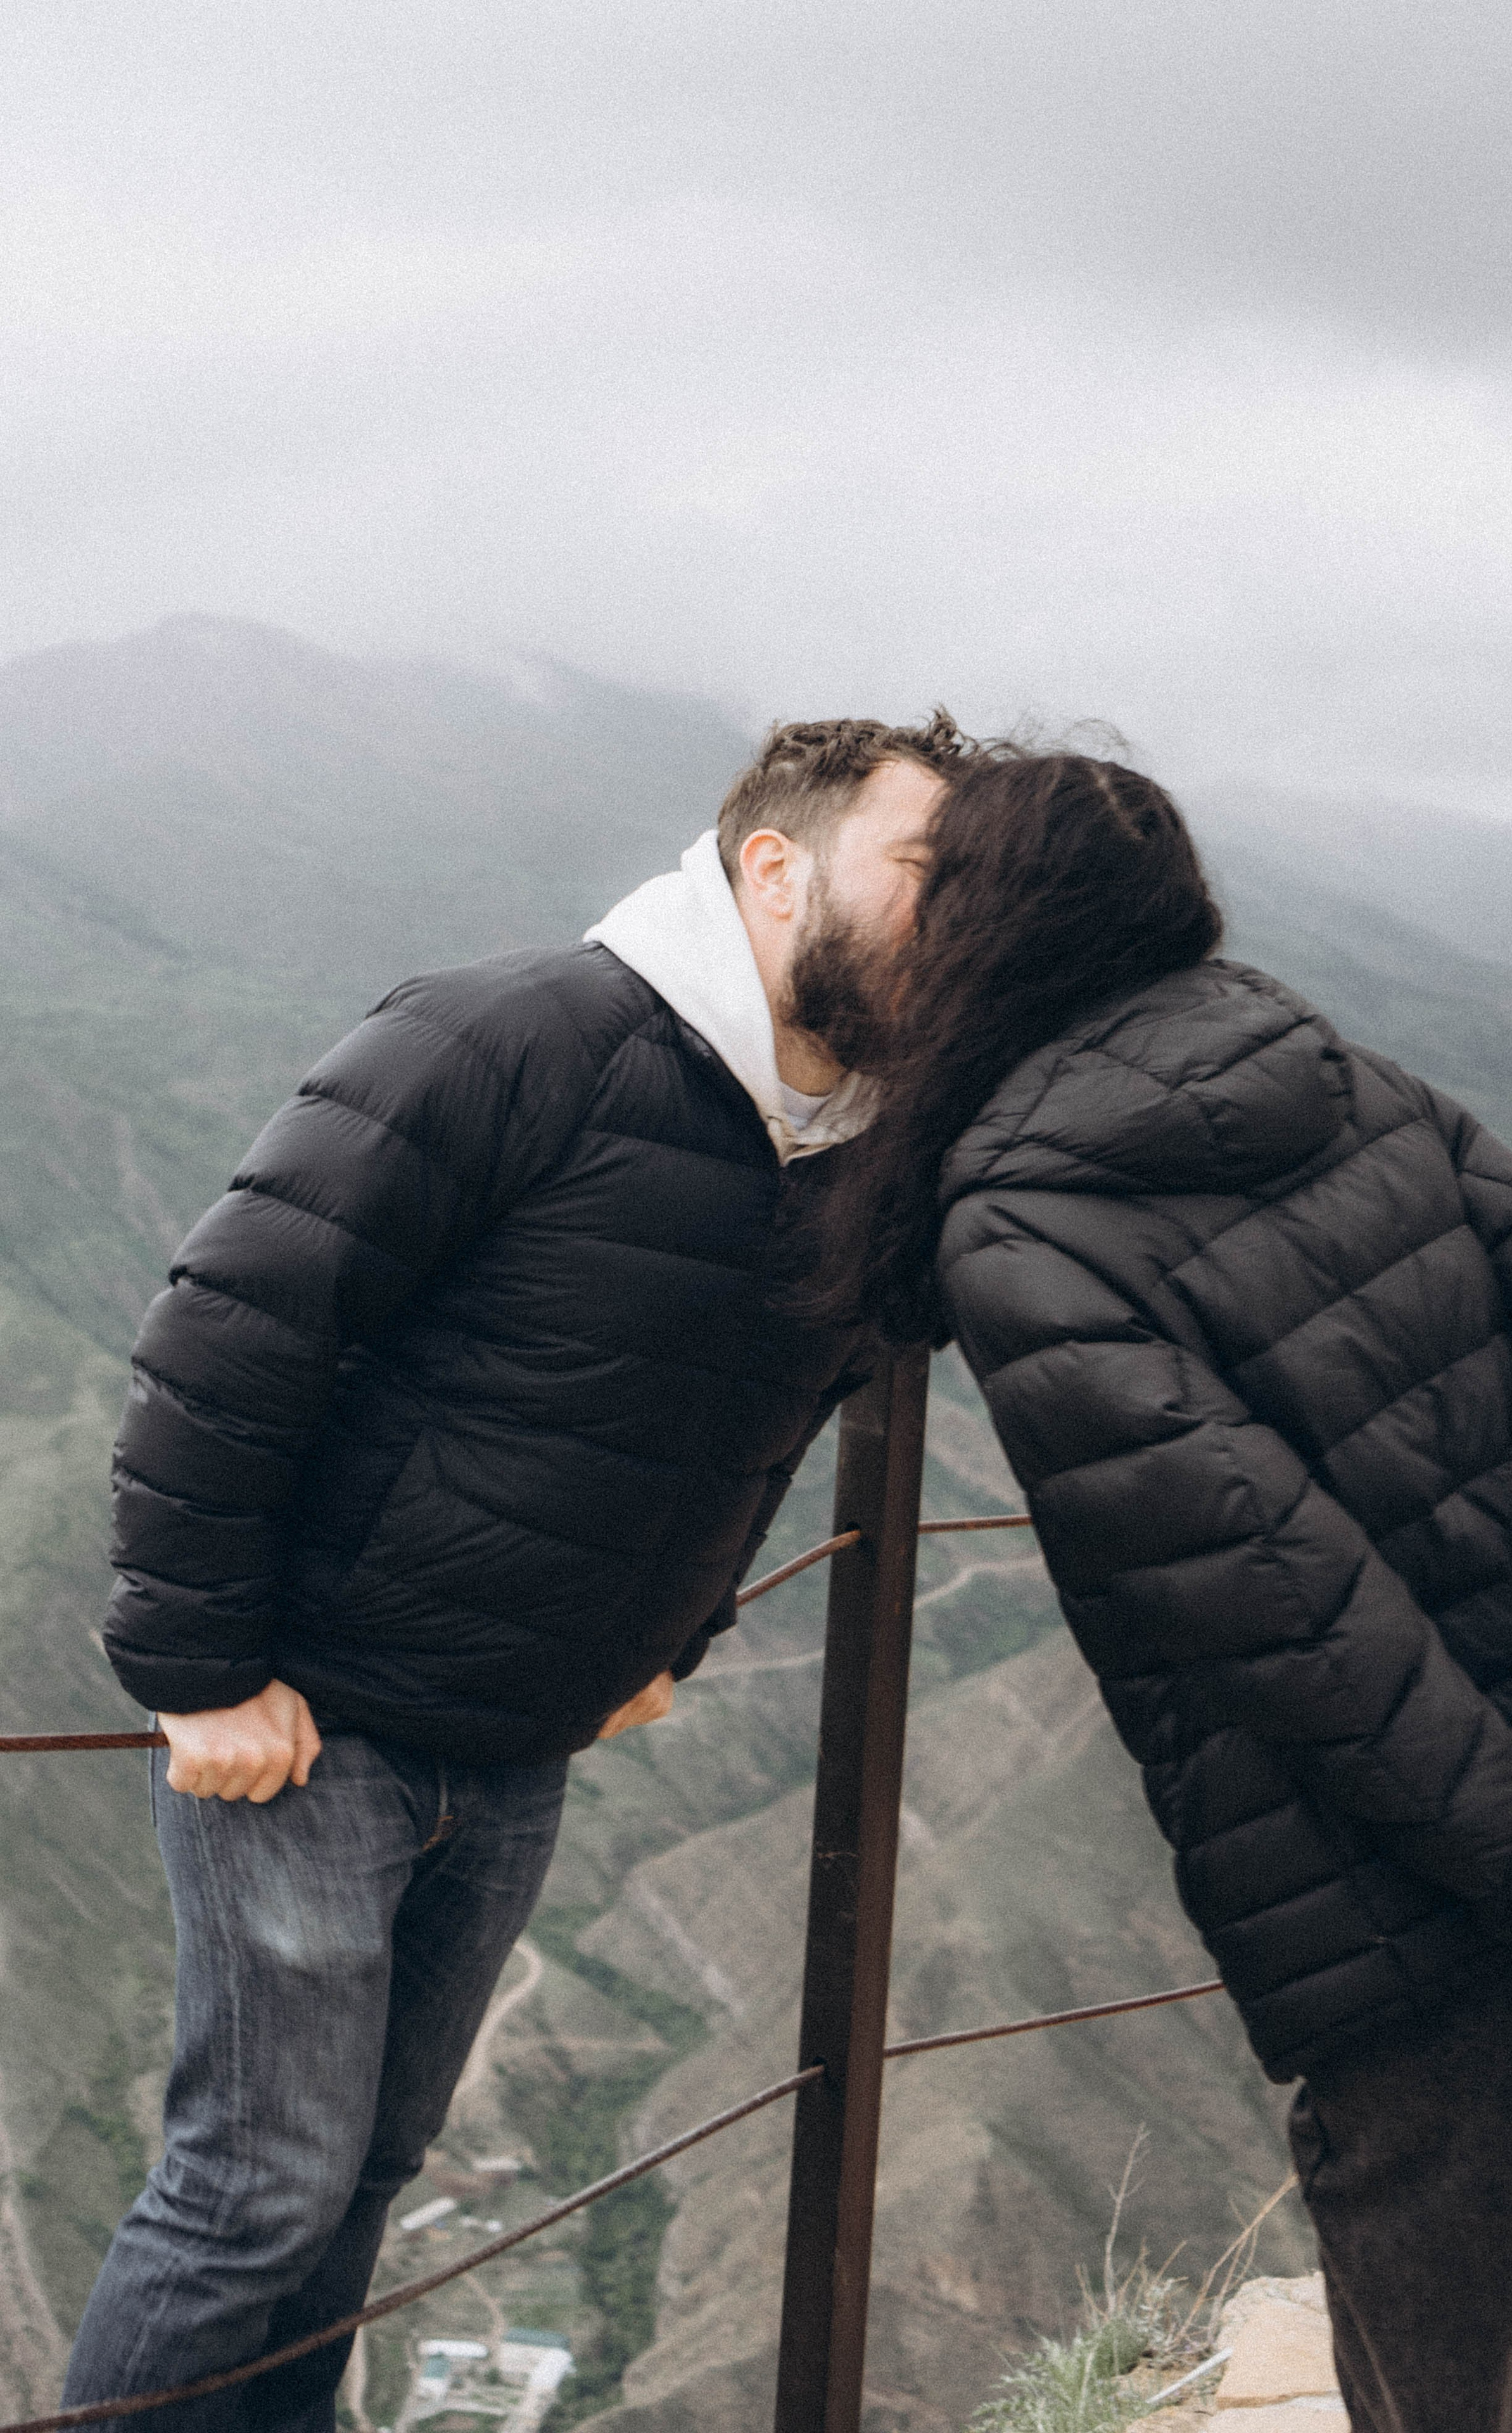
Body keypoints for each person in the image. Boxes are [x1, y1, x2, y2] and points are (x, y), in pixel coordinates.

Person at [63, 712, 968, 2432]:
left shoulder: (854, 1141)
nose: (957, 923)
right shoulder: (514, 1034)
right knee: (251, 2197)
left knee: (363, 2188)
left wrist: (675, 1639)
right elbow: (235, 1322)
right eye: (928, 874)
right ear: (775, 870)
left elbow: (780, 1409)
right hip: (312, 1730)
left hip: (516, 1753)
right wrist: (193, 1672)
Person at [806, 747, 1512, 2433]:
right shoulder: (1349, 1074)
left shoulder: (1018, 1221)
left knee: (1431, 2386)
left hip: (1410, 1910)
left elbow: (1276, 1608)